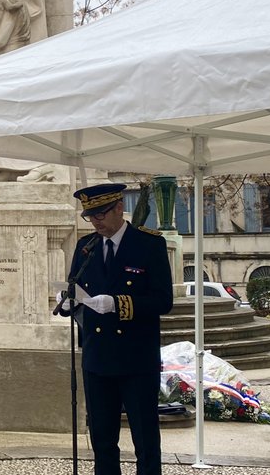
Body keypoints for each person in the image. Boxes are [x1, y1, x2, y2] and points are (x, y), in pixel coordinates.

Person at [56, 183, 174, 475]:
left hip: (135, 358)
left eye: (101, 214)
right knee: (102, 438)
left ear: (119, 208)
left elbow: (163, 301)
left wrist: (119, 304)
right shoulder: (86, 247)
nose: (96, 221)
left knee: (145, 437)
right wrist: (70, 302)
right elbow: (77, 286)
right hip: (97, 357)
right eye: (90, 215)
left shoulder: (148, 244)